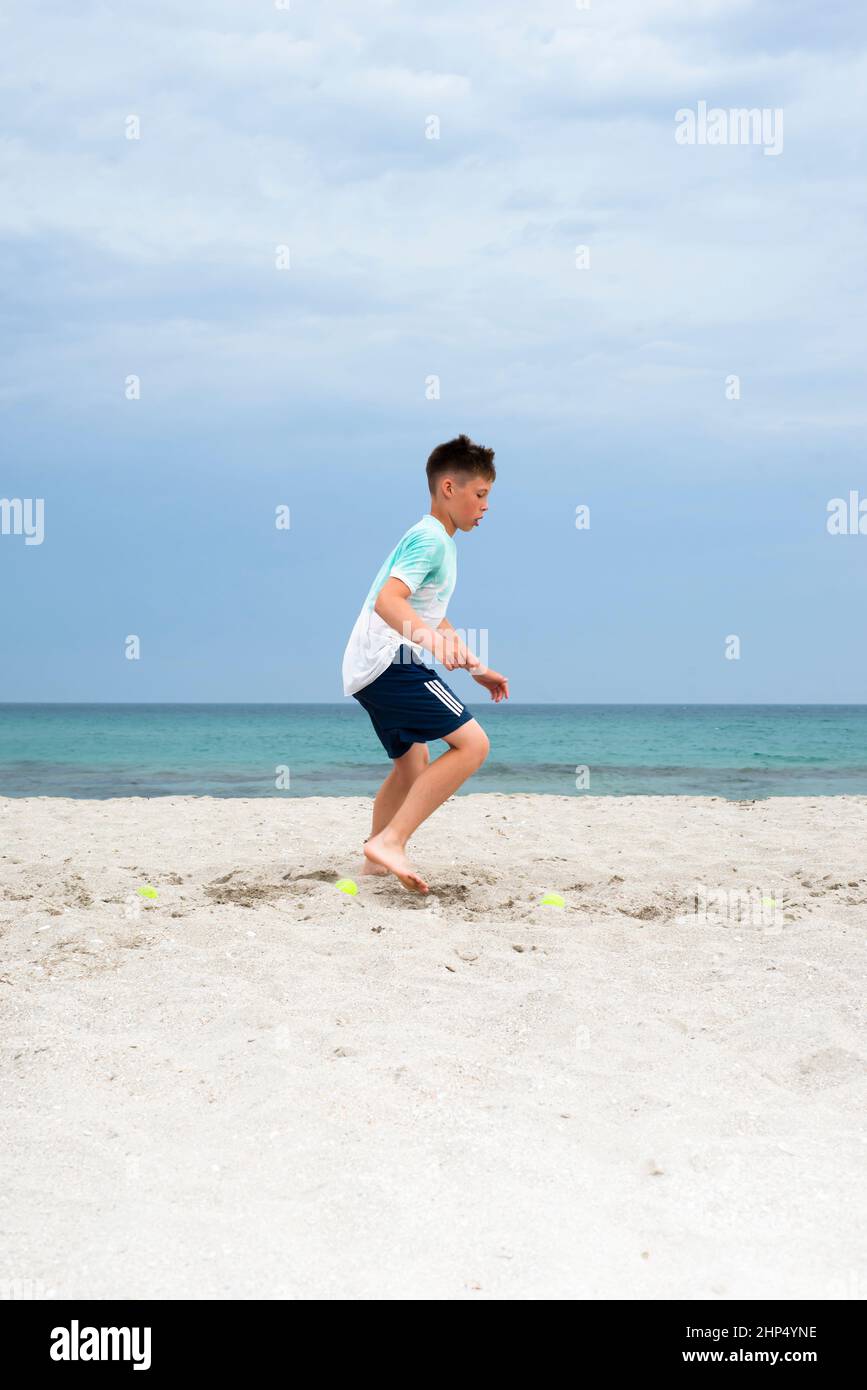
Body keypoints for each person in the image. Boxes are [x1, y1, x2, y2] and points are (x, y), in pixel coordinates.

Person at [341, 433, 509, 892]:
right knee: (473, 746)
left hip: (366, 670)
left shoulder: (437, 542)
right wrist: (432, 645)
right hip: (391, 661)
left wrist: (476, 666)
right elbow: (388, 601)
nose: (485, 506)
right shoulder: (430, 540)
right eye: (480, 495)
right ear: (448, 488)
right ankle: (392, 841)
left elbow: (431, 611)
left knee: (412, 766)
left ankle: (376, 860)